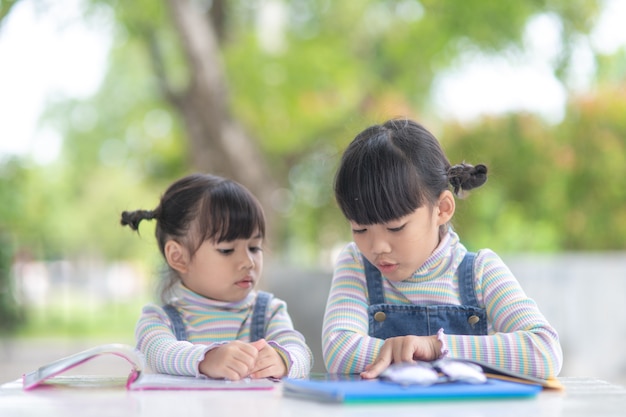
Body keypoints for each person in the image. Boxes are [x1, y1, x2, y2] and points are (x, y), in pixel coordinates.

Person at [322, 118, 563, 380]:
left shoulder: (480, 272)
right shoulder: (357, 264)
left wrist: (436, 347)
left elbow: (545, 351)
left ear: (442, 209)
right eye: (360, 229)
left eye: (395, 228)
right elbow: (339, 350)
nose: (377, 246)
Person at [121, 173, 312, 380]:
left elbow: (301, 353)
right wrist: (207, 359)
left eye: (254, 247)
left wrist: (283, 360)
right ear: (179, 257)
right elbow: (159, 353)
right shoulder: (158, 320)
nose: (248, 262)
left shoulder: (269, 313)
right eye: (227, 250)